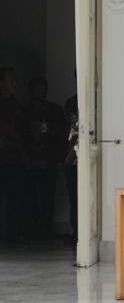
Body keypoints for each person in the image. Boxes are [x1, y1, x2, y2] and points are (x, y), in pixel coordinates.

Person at [24, 76, 66, 238]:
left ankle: (46, 230)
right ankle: (32, 229)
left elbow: (62, 136)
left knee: (48, 196)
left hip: (49, 161)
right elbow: (22, 134)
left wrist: (59, 159)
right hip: (30, 161)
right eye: (38, 88)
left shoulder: (55, 110)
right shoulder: (25, 110)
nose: (41, 91)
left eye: (44, 88)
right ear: (31, 90)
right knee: (31, 198)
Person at [0, 68, 26, 244]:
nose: (14, 84)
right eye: (11, 80)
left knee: (15, 199)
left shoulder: (17, 106)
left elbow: (22, 132)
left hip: (14, 159)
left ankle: (13, 234)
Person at [63, 76, 78, 244]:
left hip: (89, 154)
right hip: (72, 154)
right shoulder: (70, 103)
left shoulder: (96, 99)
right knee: (73, 194)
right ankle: (76, 230)